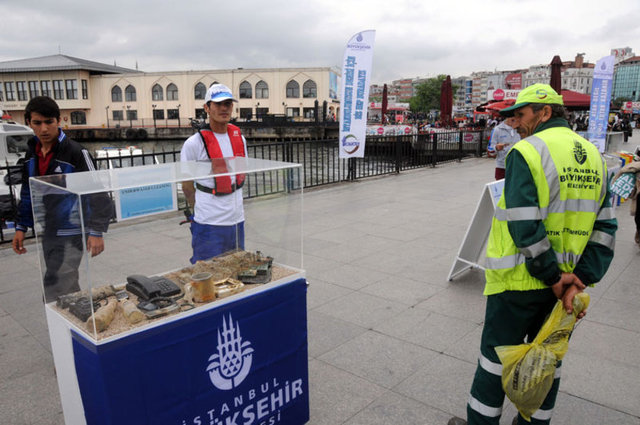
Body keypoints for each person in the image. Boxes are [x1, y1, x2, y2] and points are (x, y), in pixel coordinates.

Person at [448, 84, 617, 425]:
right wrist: (579, 279)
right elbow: (606, 228)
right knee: (547, 361)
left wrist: (552, 277)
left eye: (521, 115)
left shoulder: (526, 152)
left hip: (518, 284)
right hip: (567, 289)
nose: (515, 123)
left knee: (495, 362)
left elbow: (524, 226)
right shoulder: (595, 156)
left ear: (544, 112)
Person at [12, 96, 112, 302]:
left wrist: (96, 231)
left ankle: (69, 322)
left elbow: (97, 192)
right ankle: (75, 319)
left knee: (59, 282)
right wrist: (21, 227)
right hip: (48, 229)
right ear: (28, 123)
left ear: (59, 121)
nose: (44, 129)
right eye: (37, 123)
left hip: (73, 230)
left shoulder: (76, 152)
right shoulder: (32, 154)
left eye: (49, 122)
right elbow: (28, 192)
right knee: (59, 281)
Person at [181, 84, 248, 264]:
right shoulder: (193, 144)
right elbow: (187, 185)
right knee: (206, 273)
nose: (224, 108)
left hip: (236, 220)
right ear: (207, 108)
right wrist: (199, 208)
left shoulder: (239, 138)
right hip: (209, 222)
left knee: (236, 269)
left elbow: (241, 173)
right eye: (218, 104)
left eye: (228, 103)